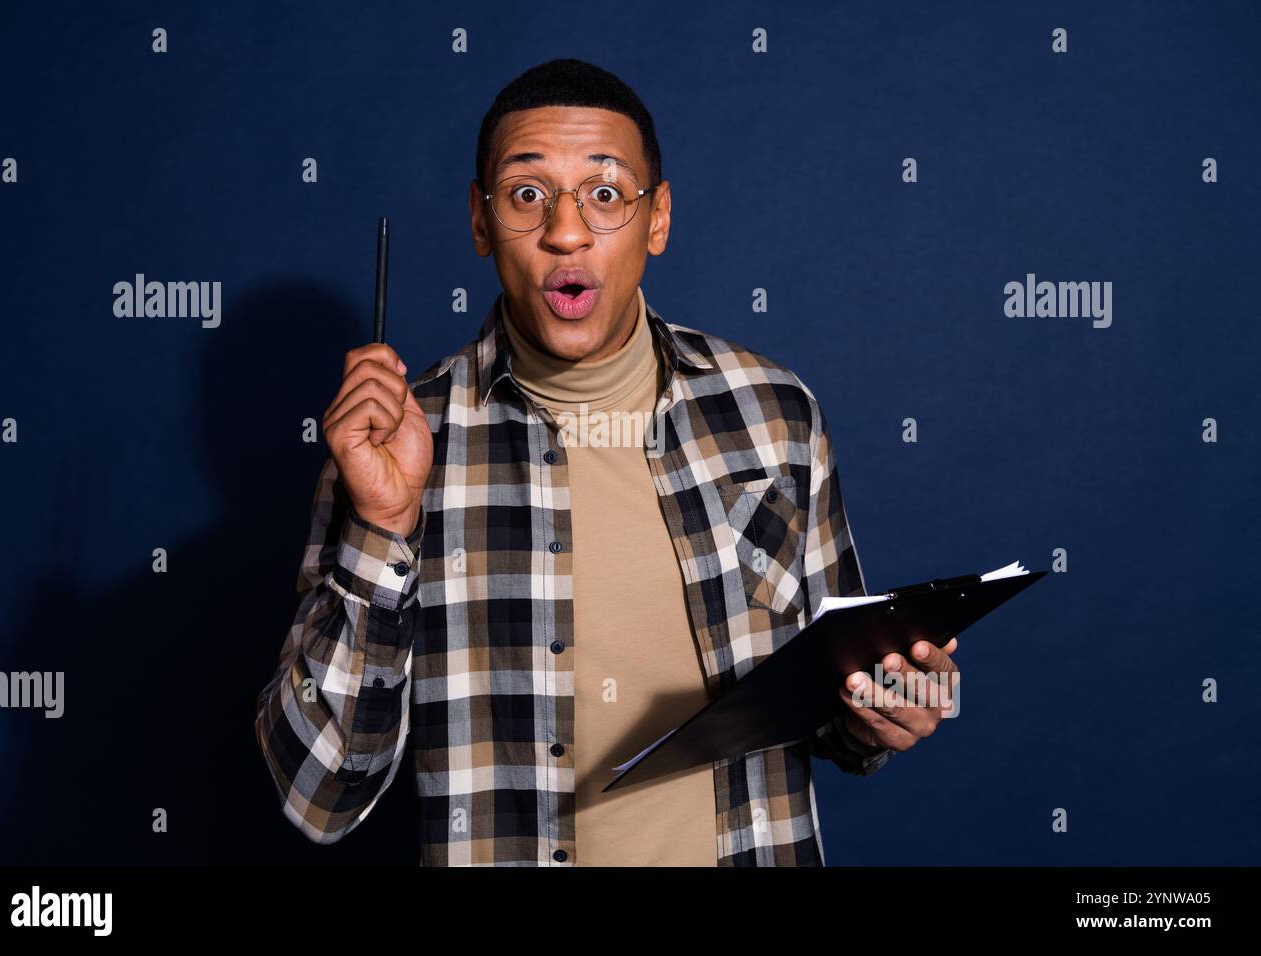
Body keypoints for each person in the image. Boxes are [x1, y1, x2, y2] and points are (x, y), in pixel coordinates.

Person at [253, 57, 957, 866]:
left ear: (658, 219)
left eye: (606, 193)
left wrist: (882, 711)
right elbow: (320, 795)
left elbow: (834, 693)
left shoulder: (774, 414)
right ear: (480, 224)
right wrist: (383, 524)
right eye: (527, 195)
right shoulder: (394, 446)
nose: (566, 230)